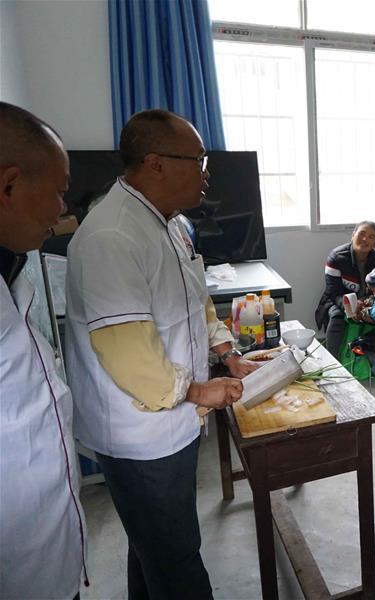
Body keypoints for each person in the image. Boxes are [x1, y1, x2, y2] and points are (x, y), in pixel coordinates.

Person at [65, 109, 257, 597]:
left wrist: (224, 351)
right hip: (140, 432)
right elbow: (128, 353)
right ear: (155, 164)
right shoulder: (113, 236)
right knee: (177, 559)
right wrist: (197, 389)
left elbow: (196, 299)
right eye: (198, 159)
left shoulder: (171, 225)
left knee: (151, 544)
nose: (207, 171)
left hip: (172, 417)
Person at [0, 102, 88, 599]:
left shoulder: (12, 269)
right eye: (57, 191)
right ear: (9, 186)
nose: (61, 208)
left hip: (47, 551)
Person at [315, 220, 375, 356]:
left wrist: (366, 305)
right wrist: (350, 307)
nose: (365, 239)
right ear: (353, 235)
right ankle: (332, 359)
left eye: (371, 237)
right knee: (337, 316)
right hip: (337, 301)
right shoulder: (336, 257)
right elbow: (333, 292)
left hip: (369, 302)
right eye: (361, 233)